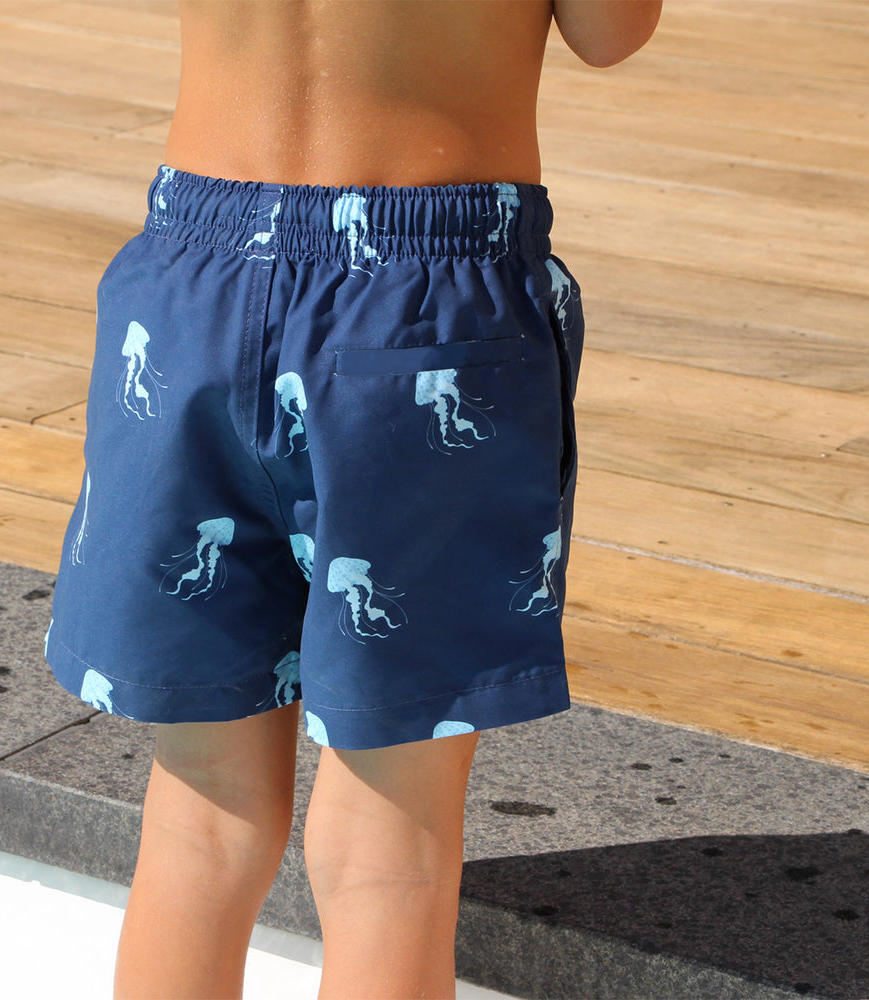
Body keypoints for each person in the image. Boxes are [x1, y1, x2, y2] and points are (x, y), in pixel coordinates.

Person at [44, 2, 662, 997]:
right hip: (423, 307)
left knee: (200, 814)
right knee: (388, 842)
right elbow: (610, 29)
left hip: (189, 285)